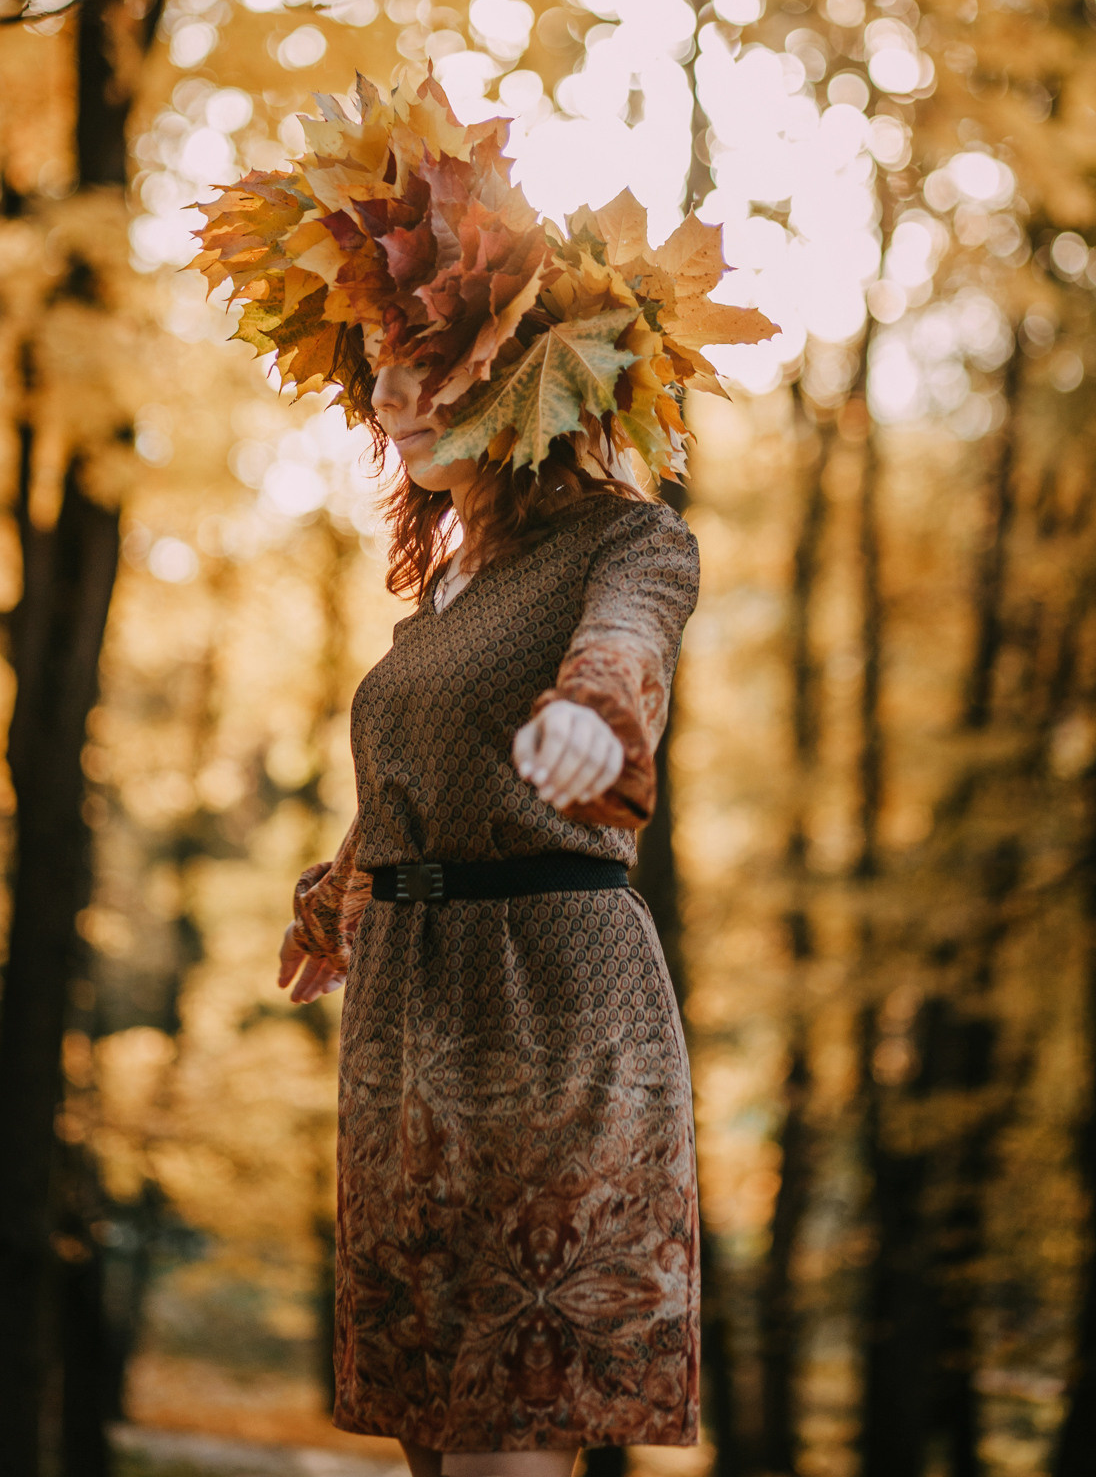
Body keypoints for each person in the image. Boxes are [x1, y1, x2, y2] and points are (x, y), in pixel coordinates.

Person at [195, 73, 775, 1477]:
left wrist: (596, 721)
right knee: (437, 1434)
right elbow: (415, 776)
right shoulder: (442, 594)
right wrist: (338, 894)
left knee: (520, 1422)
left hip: (553, 999)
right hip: (410, 1016)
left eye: (422, 363)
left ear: (514, 375)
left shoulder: (624, 541)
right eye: (374, 366)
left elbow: (628, 648)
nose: (389, 393)